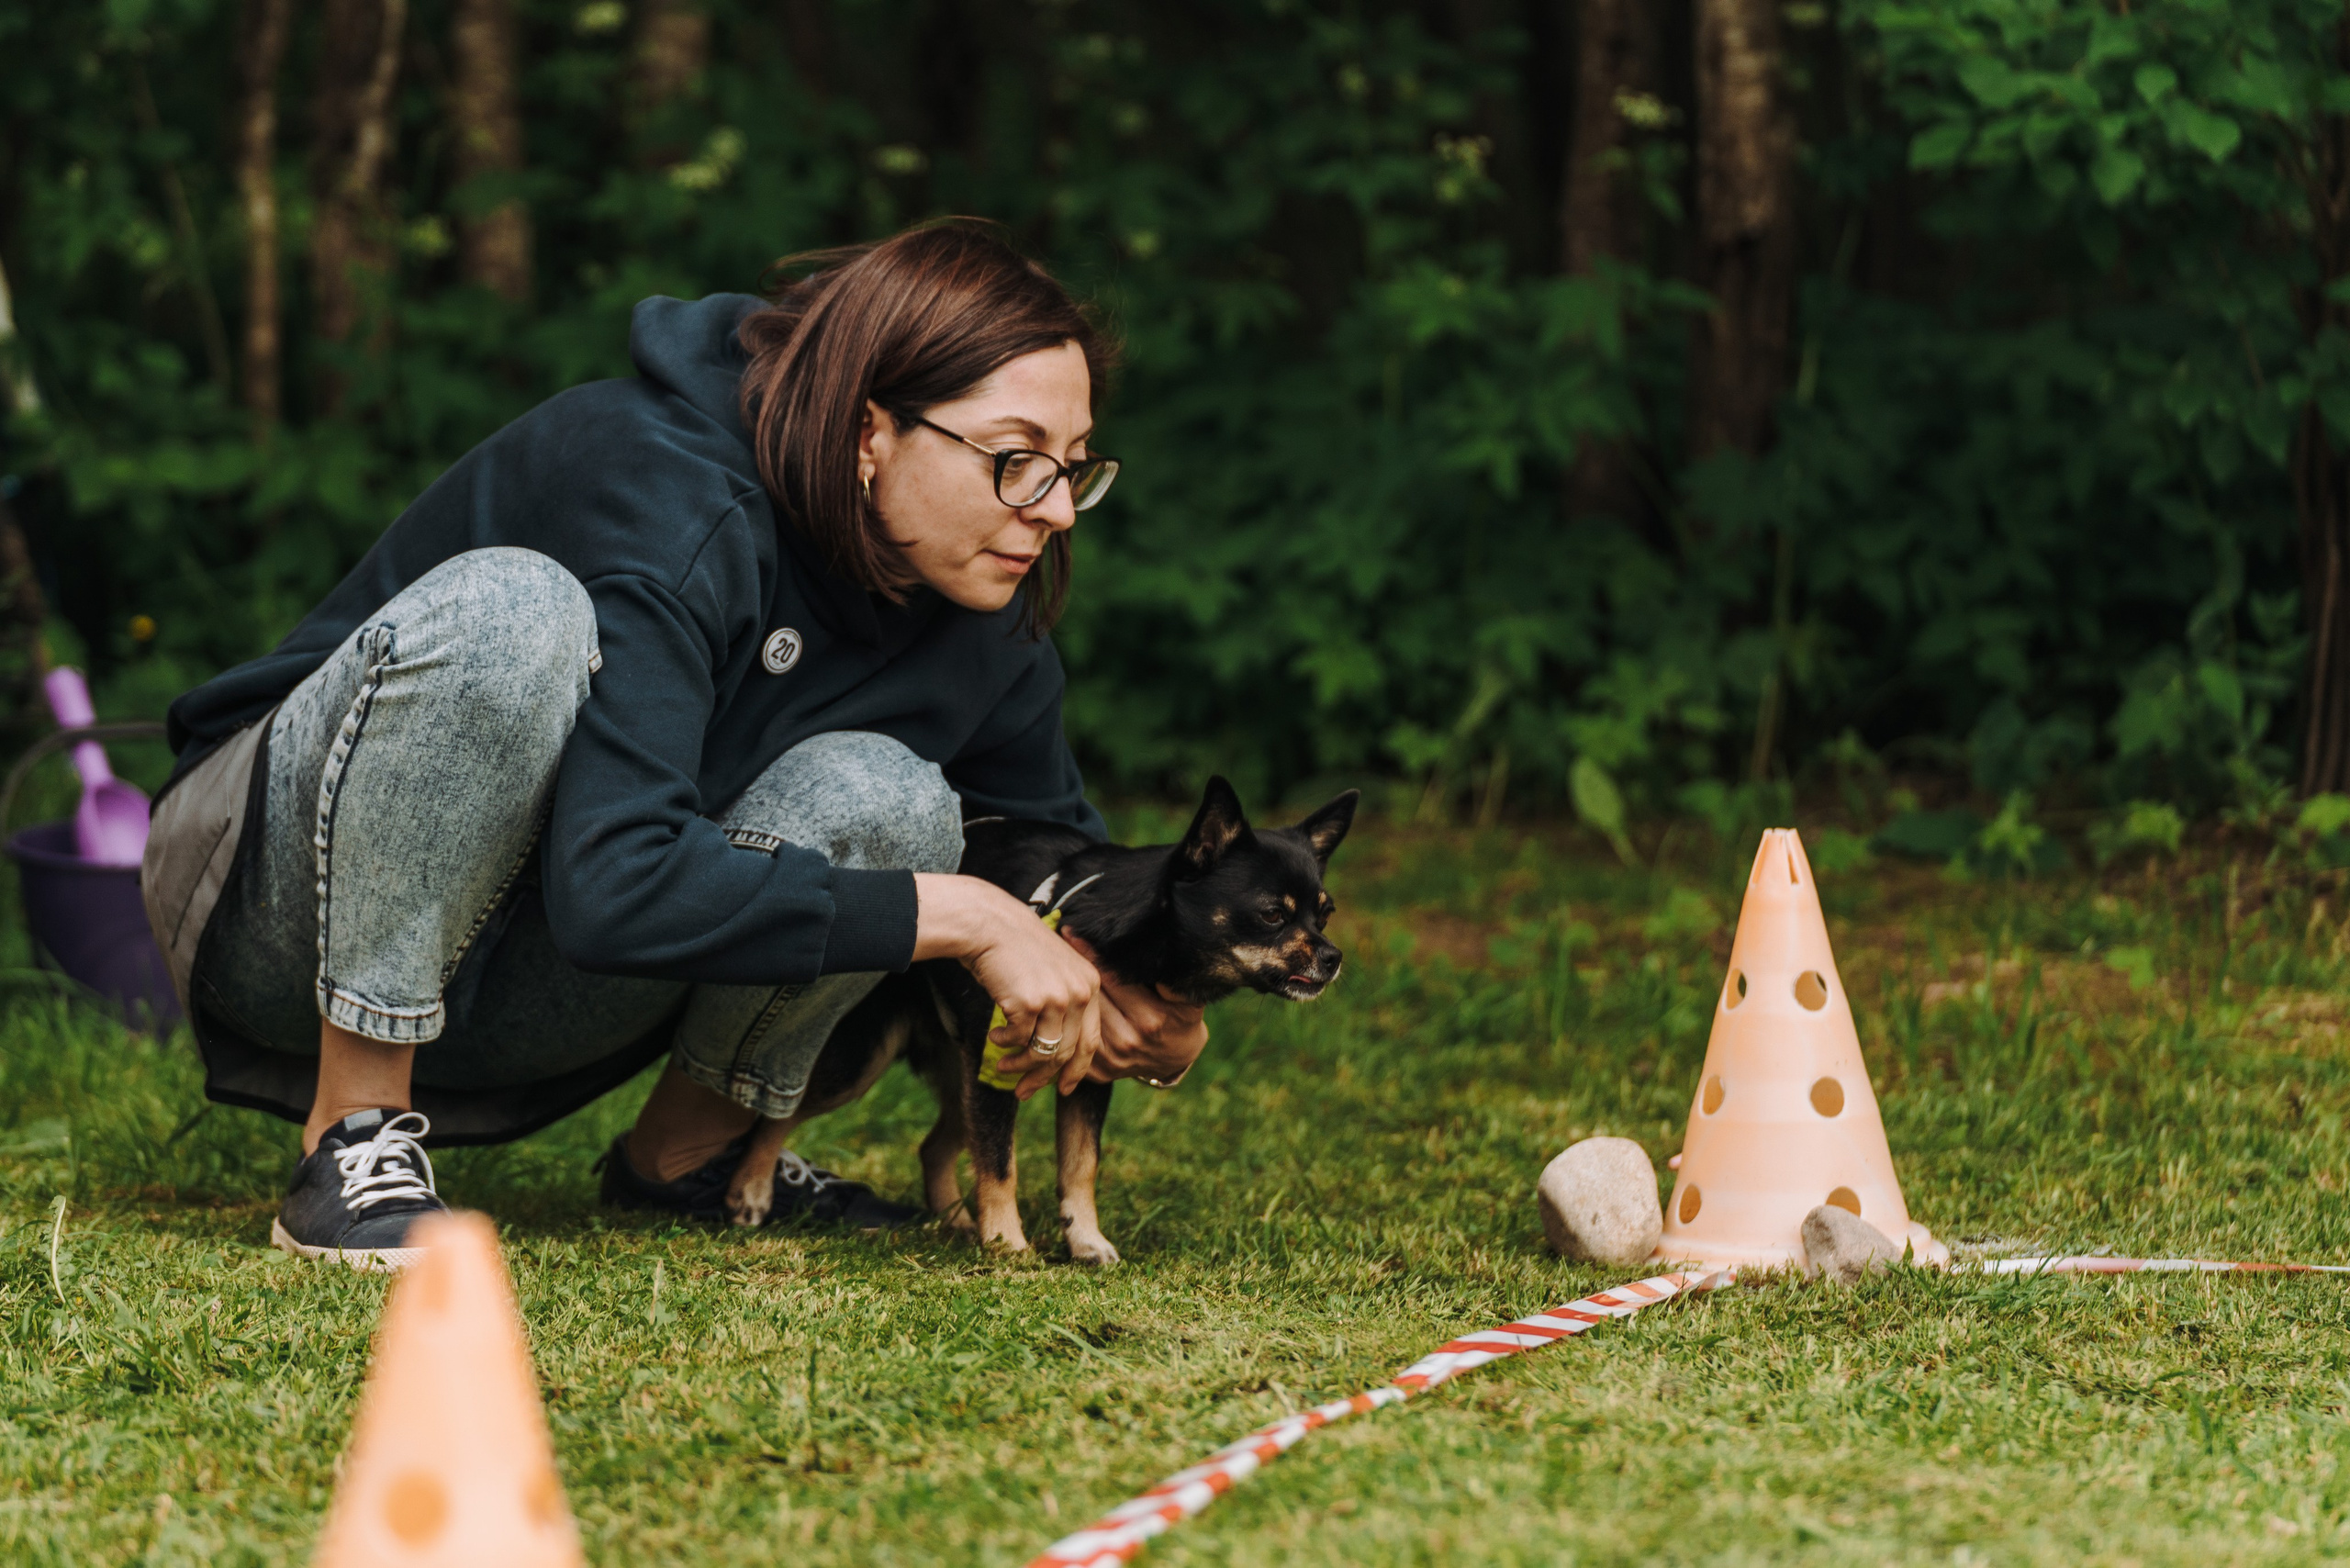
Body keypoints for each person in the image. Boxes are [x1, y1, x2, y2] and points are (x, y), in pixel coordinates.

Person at [141, 222, 1210, 1270]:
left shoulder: (981, 599)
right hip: (282, 903)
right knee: (514, 609)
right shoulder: (661, 480)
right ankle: (355, 1134)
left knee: (889, 795)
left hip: (537, 974)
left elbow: (1063, 864)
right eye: (1017, 460)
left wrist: (1138, 995)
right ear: (869, 431)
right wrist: (970, 914)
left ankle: (688, 1157)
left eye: (1073, 467)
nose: (1058, 509)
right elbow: (618, 879)